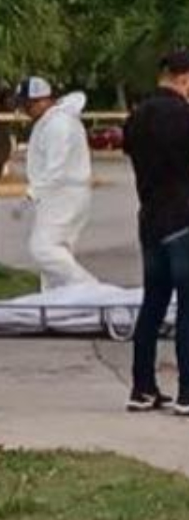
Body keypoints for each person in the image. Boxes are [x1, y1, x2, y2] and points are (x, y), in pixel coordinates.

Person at [123, 50, 189, 415]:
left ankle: (142, 387)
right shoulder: (184, 116)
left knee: (153, 304)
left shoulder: (136, 118)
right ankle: (186, 393)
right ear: (184, 78)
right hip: (184, 220)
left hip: (150, 219)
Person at [16, 76, 97, 290]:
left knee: (43, 248)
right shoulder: (53, 121)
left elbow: (56, 167)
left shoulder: (58, 124)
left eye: (27, 104)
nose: (25, 110)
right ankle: (56, 302)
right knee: (58, 253)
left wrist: (31, 194)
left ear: (43, 100)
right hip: (60, 193)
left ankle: (89, 289)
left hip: (63, 194)